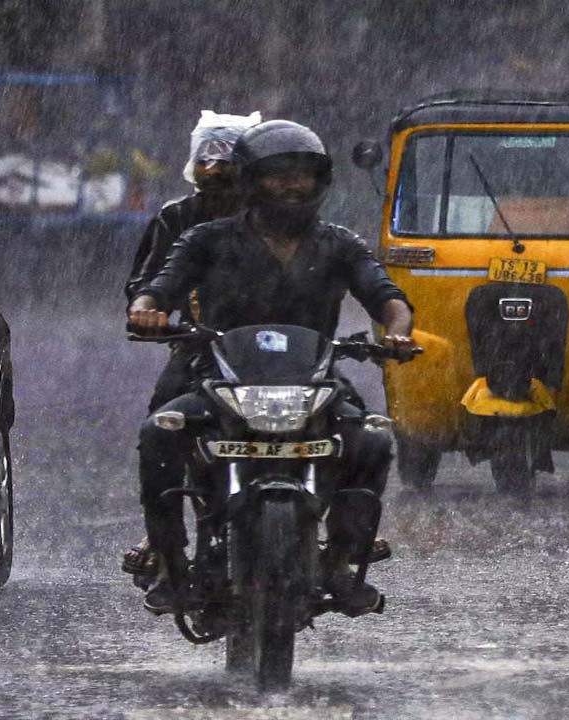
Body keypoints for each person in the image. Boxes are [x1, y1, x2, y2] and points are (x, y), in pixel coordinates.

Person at [128, 120, 416, 614]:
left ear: (320, 182)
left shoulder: (340, 243)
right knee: (160, 432)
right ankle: (171, 560)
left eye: (302, 175)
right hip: (214, 373)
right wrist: (147, 308)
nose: (292, 185)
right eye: (278, 174)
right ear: (249, 181)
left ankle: (342, 558)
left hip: (316, 378)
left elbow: (386, 296)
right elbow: (161, 284)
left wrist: (397, 330)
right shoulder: (205, 239)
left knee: (371, 438)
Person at [120, 110, 260, 583]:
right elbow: (149, 283)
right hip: (205, 351)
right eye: (209, 160)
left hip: (286, 354)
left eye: (230, 160)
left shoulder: (284, 222)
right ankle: (163, 538)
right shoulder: (178, 220)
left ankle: (342, 532)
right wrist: (150, 308)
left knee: (348, 423)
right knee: (162, 424)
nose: (218, 171)